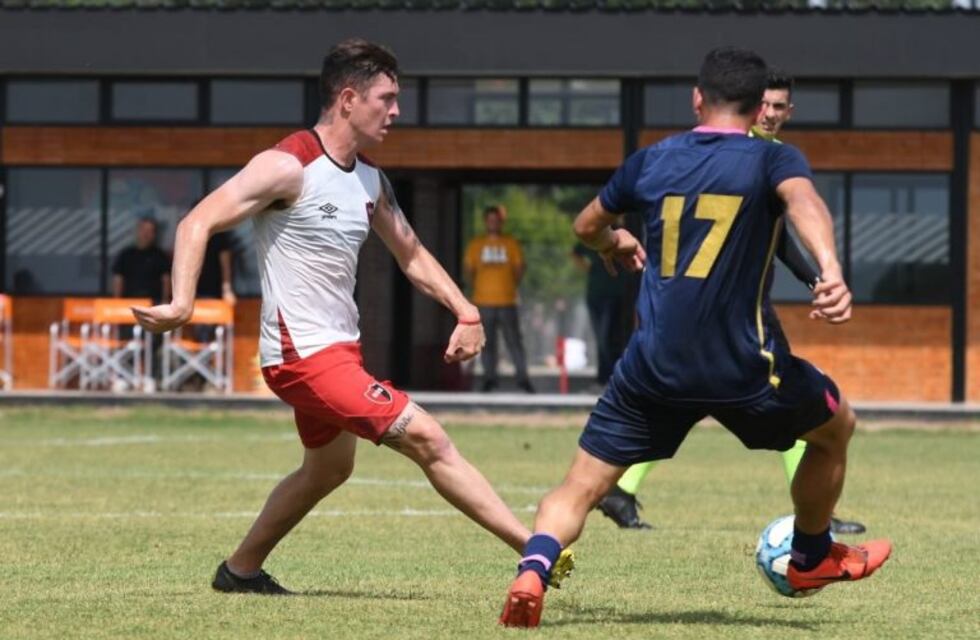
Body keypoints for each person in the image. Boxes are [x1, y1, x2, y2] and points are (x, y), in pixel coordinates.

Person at [133, 39, 571, 595]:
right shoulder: (286, 165)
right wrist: (182, 302)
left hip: (339, 350)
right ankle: (534, 549)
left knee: (328, 470)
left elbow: (410, 253)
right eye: (386, 99)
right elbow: (197, 221)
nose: (396, 112)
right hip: (302, 357)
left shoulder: (369, 180)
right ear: (347, 99)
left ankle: (239, 571)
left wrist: (466, 310)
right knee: (429, 439)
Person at [499, 47, 891, 628]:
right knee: (836, 428)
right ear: (761, 108)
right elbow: (804, 201)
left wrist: (614, 242)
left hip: (653, 366)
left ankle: (533, 570)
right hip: (742, 365)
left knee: (578, 485)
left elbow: (586, 225)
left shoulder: (651, 160)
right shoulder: (770, 161)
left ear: (696, 99)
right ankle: (810, 557)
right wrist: (830, 268)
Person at [595, 69, 867, 536]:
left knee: (703, 399)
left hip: (729, 306)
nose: (773, 114)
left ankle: (619, 487)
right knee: (786, 399)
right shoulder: (754, 158)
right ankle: (815, 517)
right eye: (767, 105)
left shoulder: (772, 156)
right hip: (718, 309)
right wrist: (819, 276)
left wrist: (820, 277)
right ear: (749, 104)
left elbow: (777, 236)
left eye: (782, 107)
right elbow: (780, 241)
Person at [463, 205, 534, 393]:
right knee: (487, 343)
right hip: (483, 301)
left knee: (514, 342)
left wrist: (510, 285)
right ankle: (489, 379)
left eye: (496, 219)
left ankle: (523, 379)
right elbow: (469, 270)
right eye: (490, 219)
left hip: (507, 301)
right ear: (486, 221)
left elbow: (519, 268)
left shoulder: (510, 243)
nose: (493, 222)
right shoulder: (476, 244)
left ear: (501, 222)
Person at [572, 232, 628, 389]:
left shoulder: (622, 232)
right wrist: (589, 268)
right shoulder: (596, 231)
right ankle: (605, 377)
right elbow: (575, 252)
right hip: (596, 294)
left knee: (610, 337)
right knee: (602, 338)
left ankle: (612, 378)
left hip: (617, 294)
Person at [112, 217, 171, 304]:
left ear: (154, 234)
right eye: (143, 229)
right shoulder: (125, 255)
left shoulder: (160, 256)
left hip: (154, 305)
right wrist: (116, 302)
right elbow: (118, 279)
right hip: (128, 304)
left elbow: (166, 280)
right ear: (138, 231)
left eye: (150, 231)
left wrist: (165, 301)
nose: (146, 234)